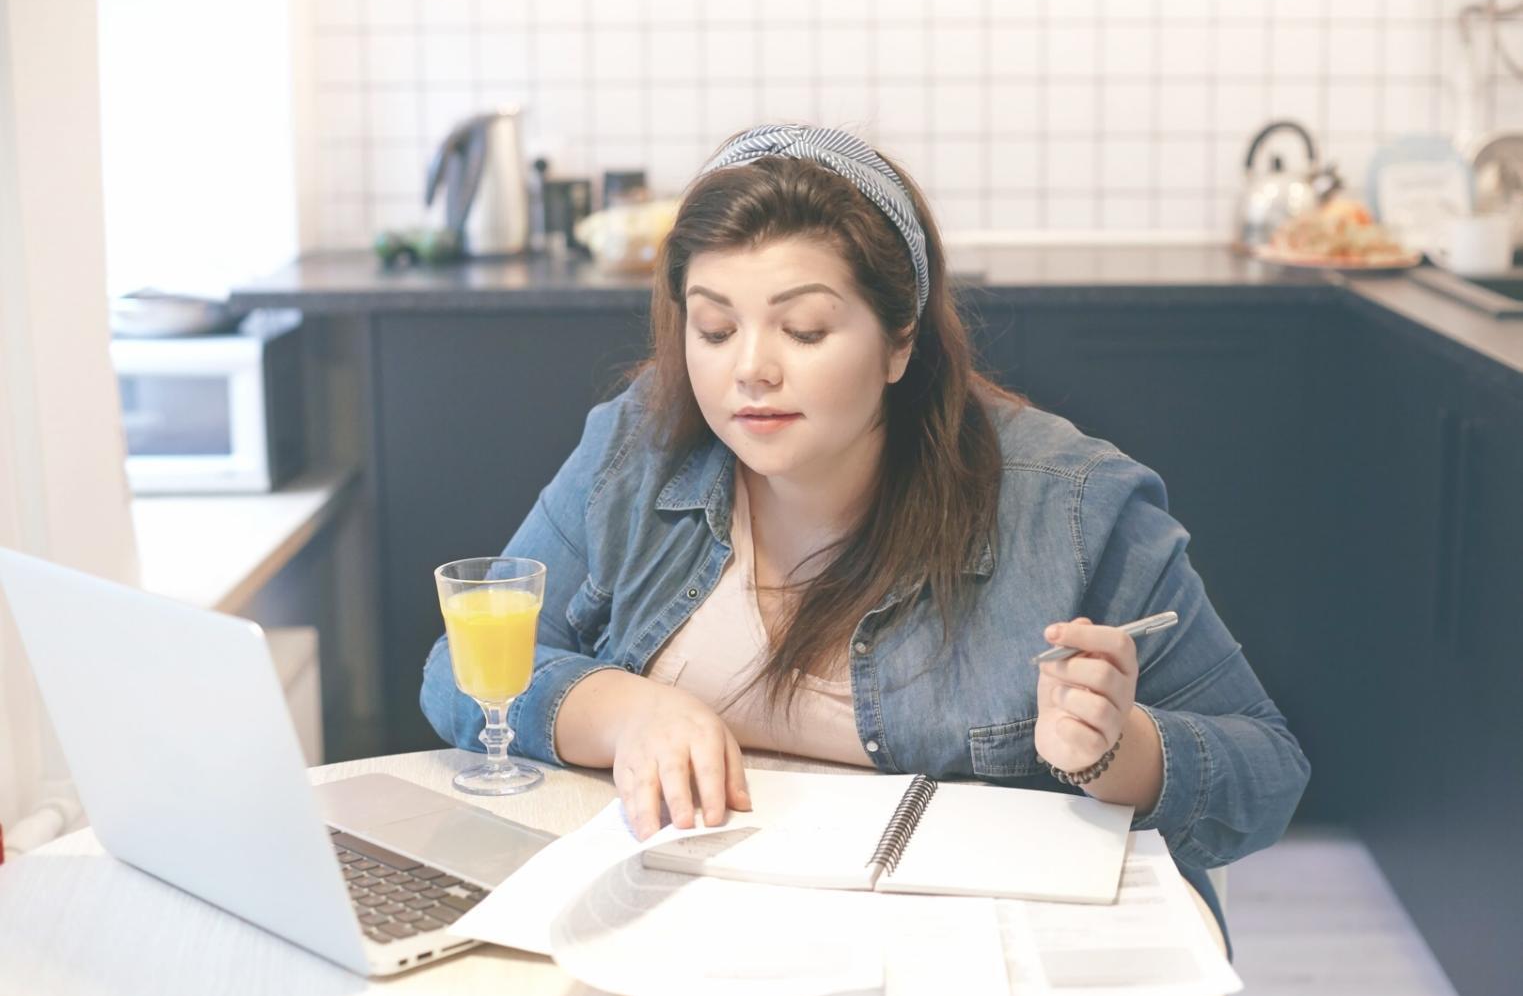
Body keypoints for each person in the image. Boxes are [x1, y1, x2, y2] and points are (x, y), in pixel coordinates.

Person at [420, 123, 1310, 949]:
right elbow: (460, 669)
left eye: (804, 328)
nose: (750, 369)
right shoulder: (634, 449)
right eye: (714, 327)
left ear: (899, 344)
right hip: (696, 934)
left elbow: (1266, 769)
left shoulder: (1067, 504)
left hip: (966, 946)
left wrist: (1119, 749)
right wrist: (631, 710)